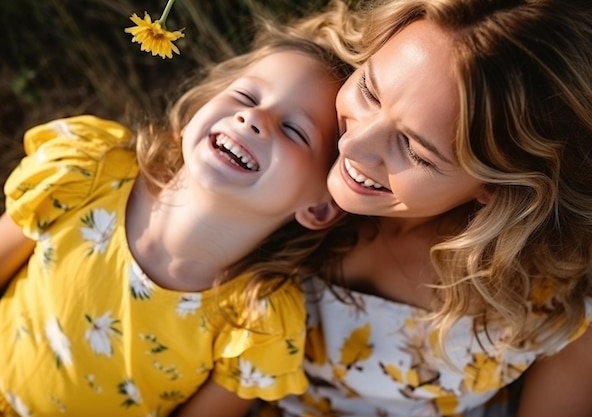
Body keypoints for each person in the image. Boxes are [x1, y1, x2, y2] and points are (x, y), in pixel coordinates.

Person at [257, 0, 592, 416]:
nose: (351, 145)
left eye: (415, 150)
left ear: (500, 185)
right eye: (368, 90)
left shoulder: (575, 295)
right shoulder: (273, 122)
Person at [0, 15, 354, 417]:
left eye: (295, 130)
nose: (253, 118)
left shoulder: (256, 320)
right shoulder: (87, 174)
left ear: (320, 205)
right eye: (246, 97)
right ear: (200, 109)